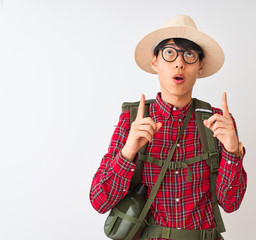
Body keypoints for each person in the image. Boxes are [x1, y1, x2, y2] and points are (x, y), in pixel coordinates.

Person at [90, 15, 247, 240]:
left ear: (200, 66)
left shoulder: (218, 122)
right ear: (155, 61)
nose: (179, 63)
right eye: (170, 53)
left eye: (189, 55)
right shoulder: (133, 118)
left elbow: (231, 203)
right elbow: (99, 201)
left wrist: (233, 151)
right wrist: (128, 153)